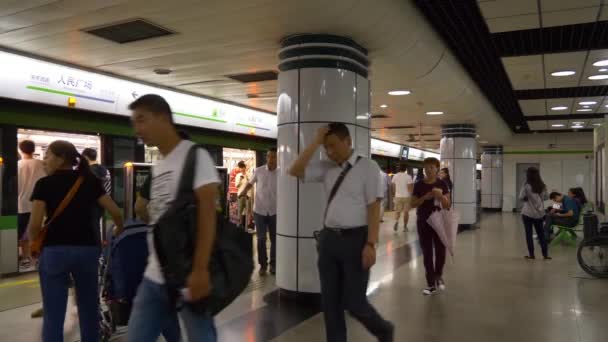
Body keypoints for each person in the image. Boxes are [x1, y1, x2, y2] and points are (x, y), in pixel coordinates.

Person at [289, 123, 394, 342]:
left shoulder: (368, 167)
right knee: (330, 302)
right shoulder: (326, 167)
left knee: (354, 303)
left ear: (348, 142)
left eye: (333, 145)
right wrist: (316, 142)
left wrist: (371, 244)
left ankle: (383, 329)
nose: (330, 151)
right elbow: (295, 170)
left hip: (356, 240)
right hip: (328, 240)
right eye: (326, 147)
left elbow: (373, 207)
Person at [127, 94, 219, 342]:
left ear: (164, 118)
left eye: (142, 120)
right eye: (134, 122)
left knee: (201, 336)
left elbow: (208, 213)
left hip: (187, 272)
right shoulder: (159, 167)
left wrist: (200, 269)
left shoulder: (195, 156)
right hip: (155, 274)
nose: (138, 129)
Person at [27, 140, 124, 342]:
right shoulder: (88, 181)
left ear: (61, 158)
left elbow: (35, 224)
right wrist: (118, 229)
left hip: (55, 251)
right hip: (87, 251)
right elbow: (115, 211)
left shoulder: (44, 184)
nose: (44, 161)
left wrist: (33, 245)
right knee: (88, 308)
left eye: (47, 156)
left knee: (54, 312)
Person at [411, 157, 451, 296]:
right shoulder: (418, 185)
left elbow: (447, 205)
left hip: (439, 221)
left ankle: (438, 275)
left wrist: (441, 197)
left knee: (440, 250)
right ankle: (430, 284)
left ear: (437, 169)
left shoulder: (442, 184)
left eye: (432, 168)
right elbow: (412, 204)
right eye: (426, 168)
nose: (428, 170)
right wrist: (425, 198)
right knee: (427, 252)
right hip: (423, 222)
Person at [239, 148, 278, 276]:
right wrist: (243, 191)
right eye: (269, 156)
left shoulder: (281, 172)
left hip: (274, 211)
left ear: (277, 158)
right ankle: (263, 265)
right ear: (266, 157)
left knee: (274, 240)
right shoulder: (259, 170)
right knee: (261, 239)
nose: (271, 159)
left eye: (273, 157)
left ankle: (273, 265)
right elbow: (250, 183)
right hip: (259, 210)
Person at [17, 140, 46, 269]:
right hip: (40, 204)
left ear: (20, 150)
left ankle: (25, 258)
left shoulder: (17, 165)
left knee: (23, 234)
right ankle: (39, 258)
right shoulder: (42, 164)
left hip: (21, 205)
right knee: (39, 232)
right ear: (33, 150)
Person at [519, 167, 550, 260]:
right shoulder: (542, 185)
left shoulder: (526, 185)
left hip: (527, 213)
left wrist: (527, 198)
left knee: (529, 234)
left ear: (528, 175)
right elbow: (546, 197)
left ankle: (531, 255)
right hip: (539, 214)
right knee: (541, 234)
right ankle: (545, 255)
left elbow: (521, 197)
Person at [81, 148, 111, 244]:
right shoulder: (105, 170)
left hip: (91, 204)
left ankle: (96, 250)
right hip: (103, 203)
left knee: (92, 228)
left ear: (85, 157)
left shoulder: (89, 171)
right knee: (96, 225)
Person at [391, 164, 414, 232]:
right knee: (406, 212)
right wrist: (411, 194)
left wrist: (395, 194)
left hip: (397, 196)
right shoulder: (408, 177)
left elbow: (393, 187)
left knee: (398, 211)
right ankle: (405, 227)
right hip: (406, 196)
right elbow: (410, 188)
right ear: (405, 169)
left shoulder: (395, 176)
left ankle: (397, 222)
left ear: (399, 169)